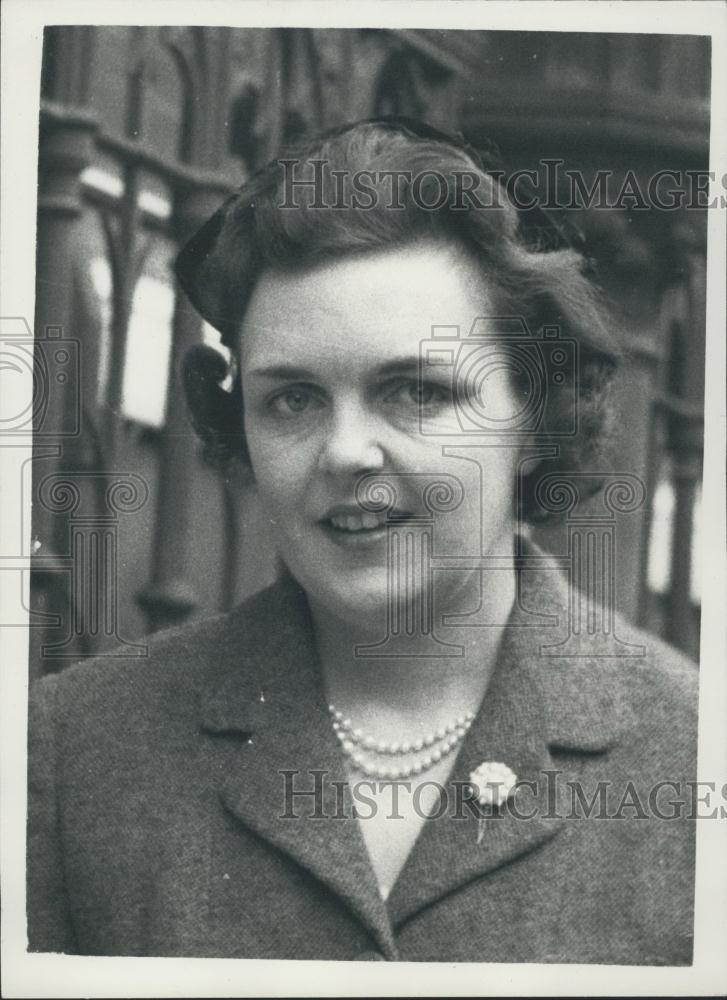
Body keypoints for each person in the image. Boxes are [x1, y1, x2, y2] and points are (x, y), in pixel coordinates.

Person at [27, 118, 698, 963]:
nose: (345, 452)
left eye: (414, 391)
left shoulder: (689, 757)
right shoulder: (78, 749)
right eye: (293, 400)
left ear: (529, 418)